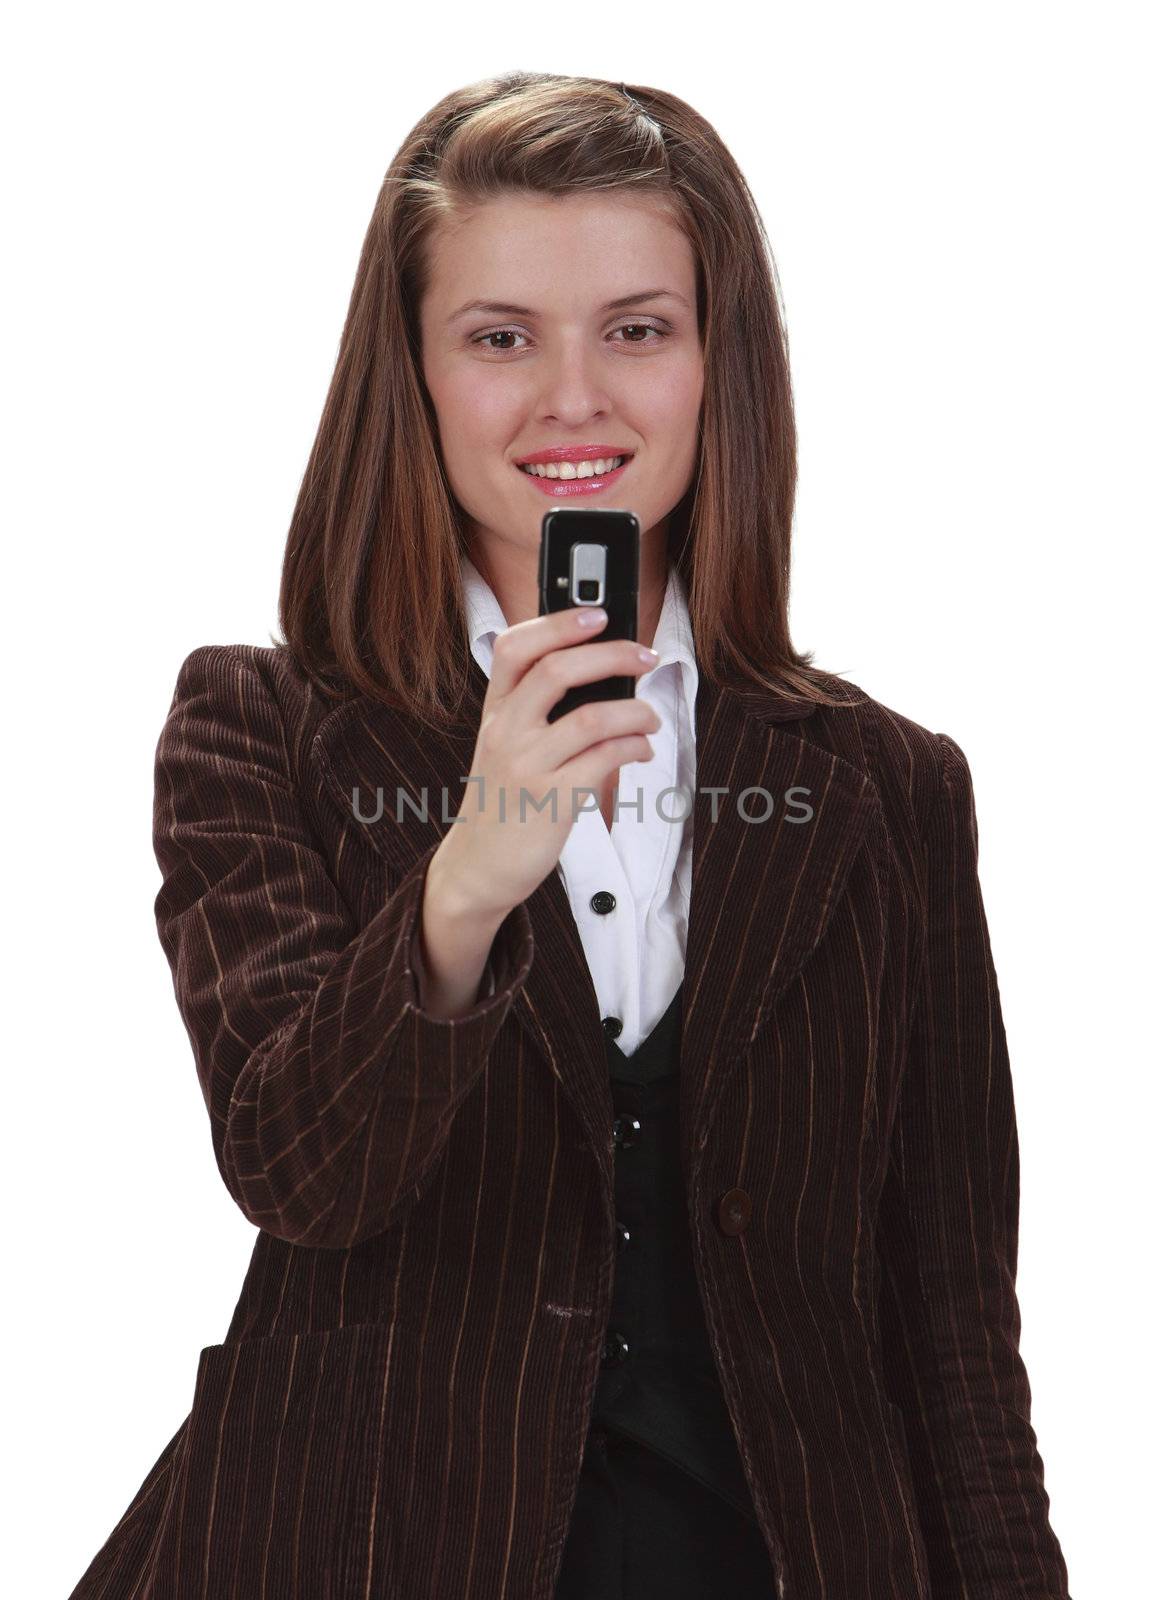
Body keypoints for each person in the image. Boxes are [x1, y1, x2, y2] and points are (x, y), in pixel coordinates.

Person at [68, 71, 1072, 1600]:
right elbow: (299, 1174)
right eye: (497, 338)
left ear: (713, 364)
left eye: (636, 328)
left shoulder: (888, 788)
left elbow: (950, 1319)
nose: (572, 401)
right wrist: (466, 879)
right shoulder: (260, 729)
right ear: (408, 373)